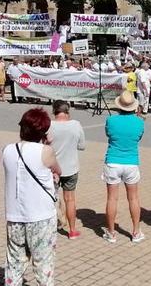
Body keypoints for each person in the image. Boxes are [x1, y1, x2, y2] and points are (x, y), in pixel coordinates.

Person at [3, 108, 62, 286]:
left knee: (14, 262)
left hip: (15, 216)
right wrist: (48, 144)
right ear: (43, 132)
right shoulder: (45, 151)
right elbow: (58, 171)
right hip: (41, 216)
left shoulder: (8, 150)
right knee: (43, 264)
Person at [102, 91, 145, 244]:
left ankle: (111, 232)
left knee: (112, 198)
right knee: (133, 198)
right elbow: (139, 137)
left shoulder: (111, 120)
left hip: (113, 160)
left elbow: (108, 134)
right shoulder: (140, 122)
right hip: (131, 161)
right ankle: (135, 231)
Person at [48, 100, 86, 239]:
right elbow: (82, 146)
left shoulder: (49, 126)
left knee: (51, 198)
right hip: (71, 167)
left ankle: (51, 228)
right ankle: (72, 230)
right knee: (70, 199)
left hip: (52, 169)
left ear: (54, 111)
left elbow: (43, 145)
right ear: (68, 111)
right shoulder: (76, 125)